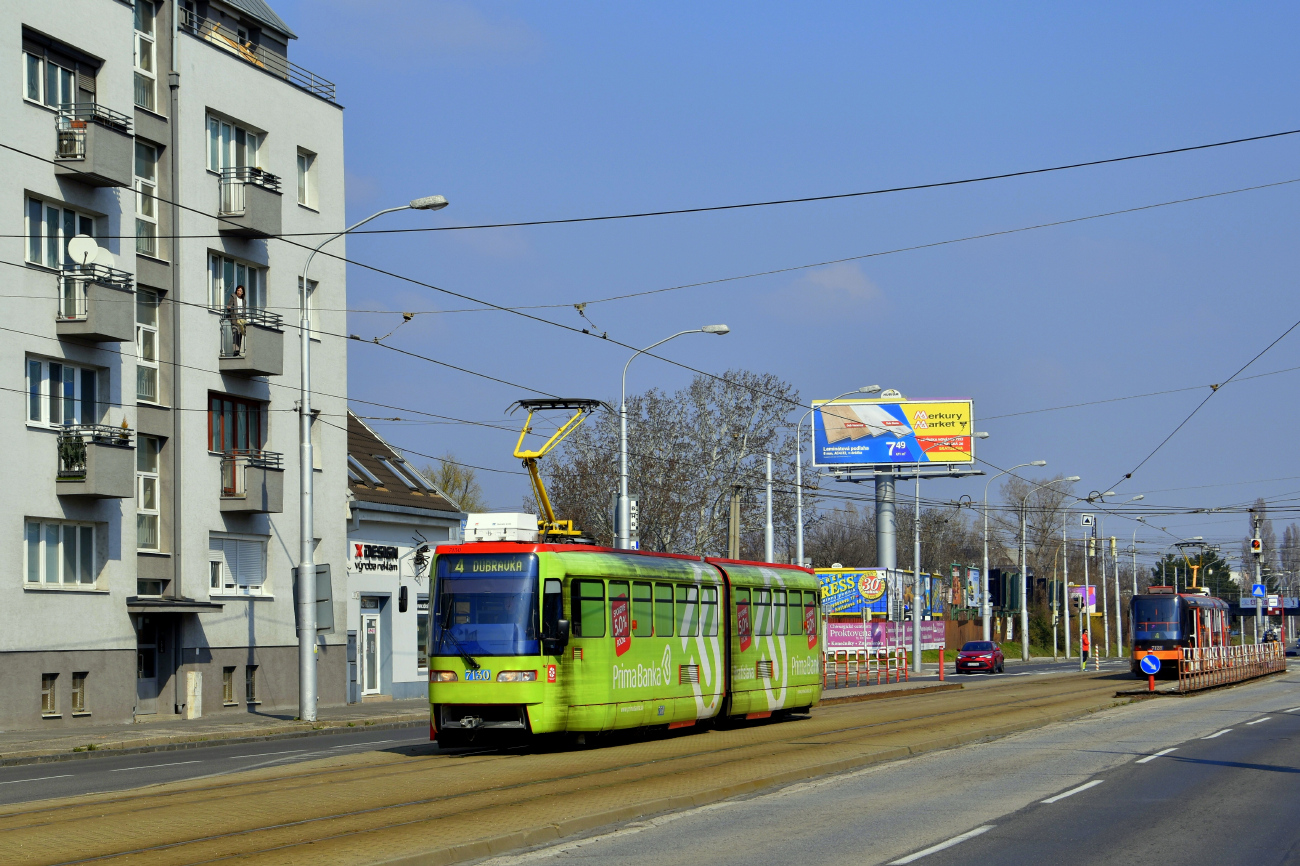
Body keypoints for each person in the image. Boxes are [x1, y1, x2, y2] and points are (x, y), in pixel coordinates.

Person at [226, 284, 247, 355]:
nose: (239, 292)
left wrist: (244, 319)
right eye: (238, 290)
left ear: (242, 292)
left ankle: (238, 351)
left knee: (240, 334)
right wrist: (229, 307)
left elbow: (244, 310)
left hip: (241, 319)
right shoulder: (233, 297)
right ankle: (235, 350)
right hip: (235, 318)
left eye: (240, 290)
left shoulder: (243, 300)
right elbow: (229, 305)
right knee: (235, 333)